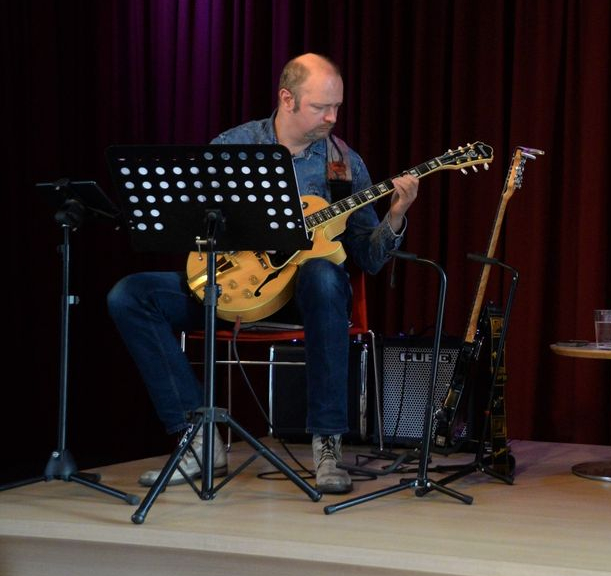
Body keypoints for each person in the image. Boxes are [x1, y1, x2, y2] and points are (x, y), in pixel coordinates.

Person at [107, 53, 419, 495]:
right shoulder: (233, 146)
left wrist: (395, 217)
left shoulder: (344, 165)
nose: (332, 117)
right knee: (131, 294)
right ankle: (197, 437)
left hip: (302, 300)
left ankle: (327, 441)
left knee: (323, 275)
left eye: (337, 107)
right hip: (232, 288)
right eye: (320, 107)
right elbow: (195, 227)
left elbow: (368, 259)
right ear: (286, 98)